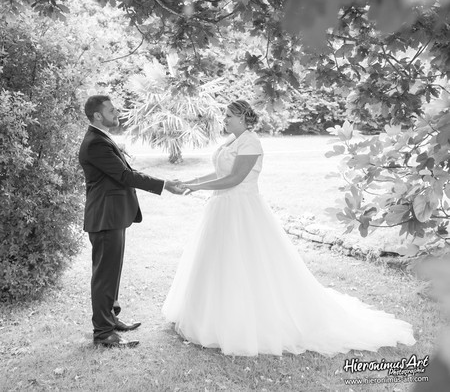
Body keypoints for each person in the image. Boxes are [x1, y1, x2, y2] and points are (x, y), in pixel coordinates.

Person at [162, 99, 416, 356]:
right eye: (225, 115)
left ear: (242, 118)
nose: (224, 119)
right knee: (218, 262)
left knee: (246, 263)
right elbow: (218, 174)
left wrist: (194, 188)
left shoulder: (251, 142)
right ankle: (211, 315)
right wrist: (189, 182)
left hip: (242, 210)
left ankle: (249, 320)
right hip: (221, 209)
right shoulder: (230, 141)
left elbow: (234, 179)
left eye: (228, 116)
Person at [79, 95, 183, 348]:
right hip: (105, 217)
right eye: (112, 110)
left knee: (111, 272)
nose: (117, 113)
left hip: (113, 216)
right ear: (97, 116)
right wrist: (164, 184)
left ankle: (111, 318)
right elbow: (124, 175)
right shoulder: (95, 143)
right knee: (104, 275)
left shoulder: (101, 138)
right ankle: (103, 333)